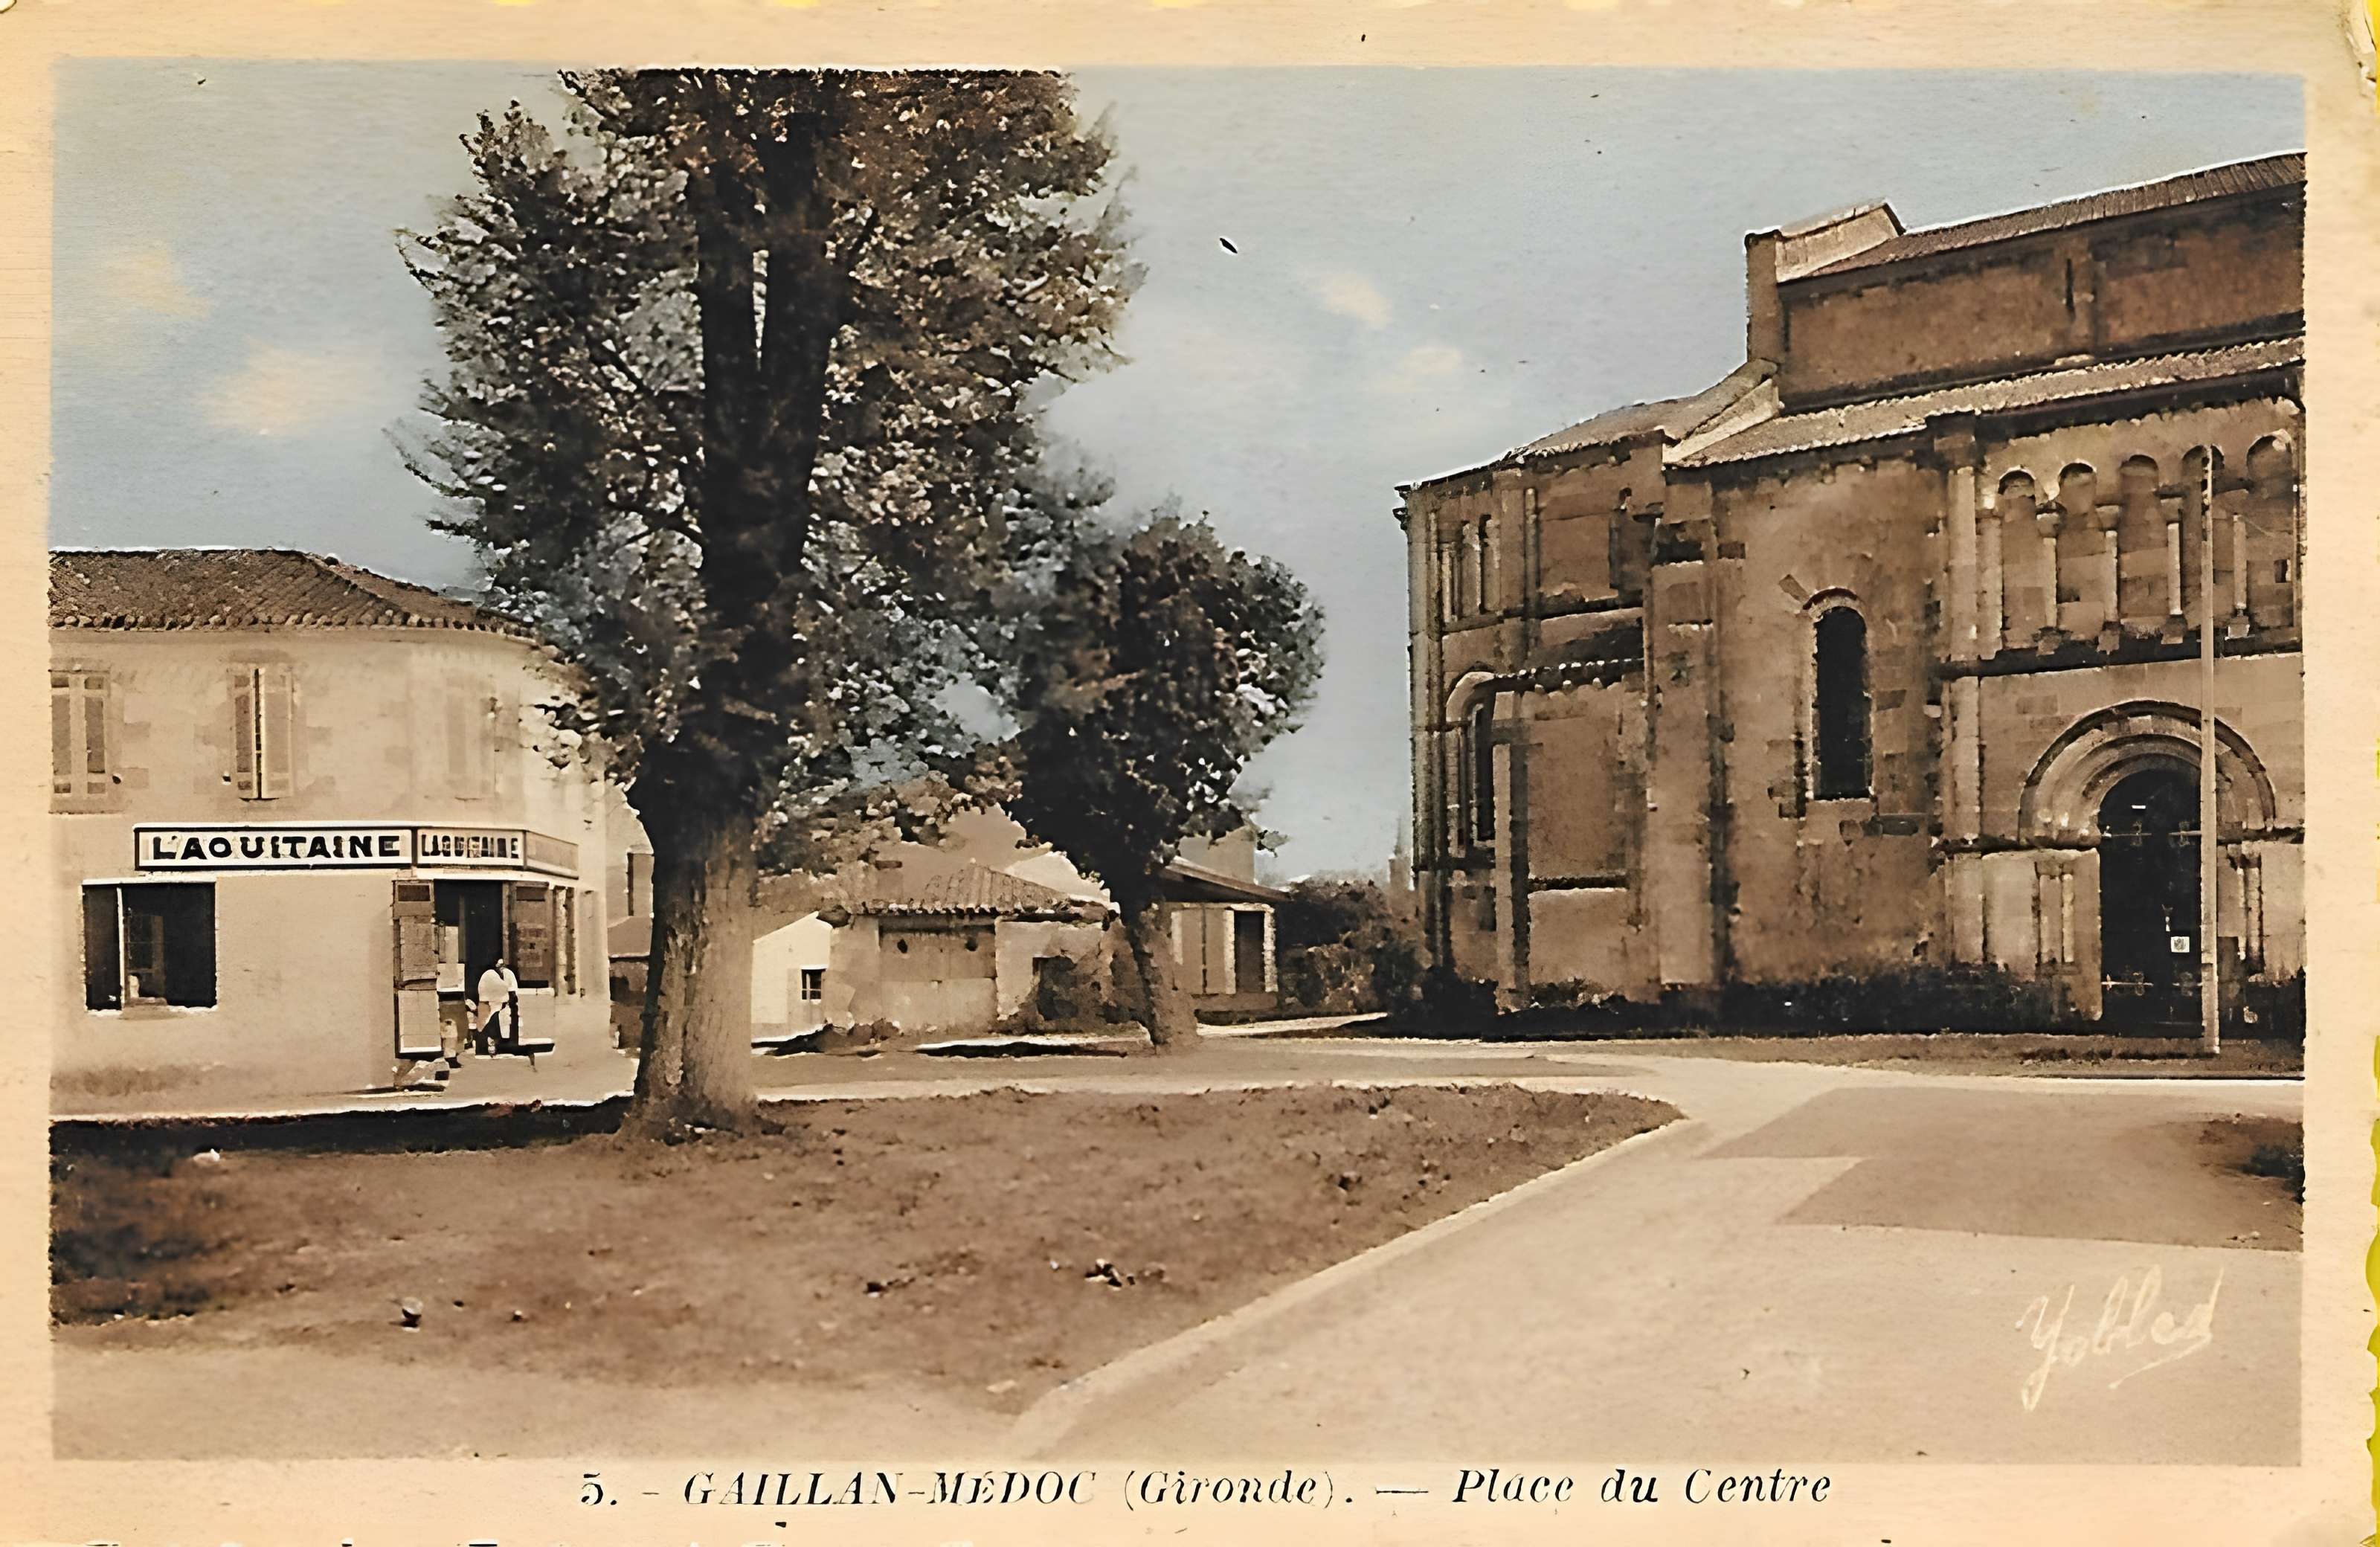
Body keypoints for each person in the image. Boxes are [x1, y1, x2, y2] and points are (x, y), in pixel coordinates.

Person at [475, 956, 520, 1056]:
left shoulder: (507, 974)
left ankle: (497, 1044)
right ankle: (491, 1044)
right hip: (492, 1005)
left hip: (501, 1006)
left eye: (501, 965)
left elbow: (512, 991)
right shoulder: (489, 976)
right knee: (491, 1026)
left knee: (499, 1026)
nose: (500, 968)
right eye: (498, 965)